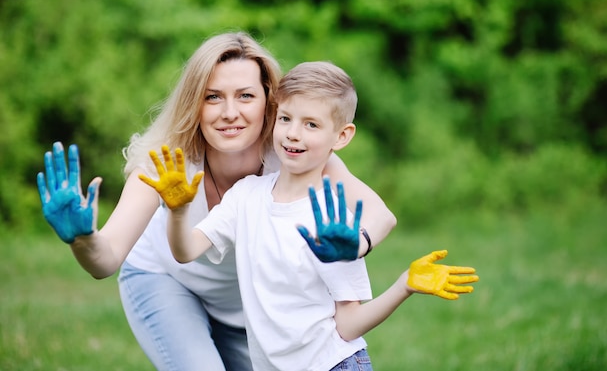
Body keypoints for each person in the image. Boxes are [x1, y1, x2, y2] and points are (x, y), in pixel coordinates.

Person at [36, 32, 398, 371]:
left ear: (269, 100)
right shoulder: (166, 159)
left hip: (246, 310)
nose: (229, 112)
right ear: (195, 103)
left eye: (245, 96)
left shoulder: (293, 151)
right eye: (213, 97)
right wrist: (82, 238)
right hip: (166, 280)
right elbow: (105, 259)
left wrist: (358, 243)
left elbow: (380, 216)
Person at [141, 61, 479, 370]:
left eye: (311, 124)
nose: (293, 134)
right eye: (286, 118)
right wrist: (177, 210)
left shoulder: (332, 224)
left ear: (342, 136)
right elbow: (185, 251)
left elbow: (347, 326)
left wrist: (403, 285)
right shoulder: (246, 196)